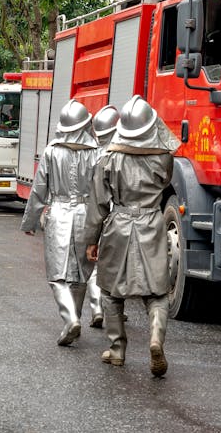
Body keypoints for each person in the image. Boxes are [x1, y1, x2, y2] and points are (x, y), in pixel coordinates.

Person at [86, 95, 177, 377]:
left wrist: (92, 238)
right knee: (157, 290)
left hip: (119, 224)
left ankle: (117, 349)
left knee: (111, 290)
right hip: (152, 221)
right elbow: (165, 183)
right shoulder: (164, 157)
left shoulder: (109, 157)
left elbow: (98, 202)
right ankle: (155, 340)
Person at [21, 100, 99, 346]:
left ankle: (70, 319)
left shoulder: (52, 151)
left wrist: (30, 221)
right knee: (80, 274)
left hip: (59, 213)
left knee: (57, 275)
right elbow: (101, 191)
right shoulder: (97, 152)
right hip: (87, 214)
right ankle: (74, 317)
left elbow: (38, 190)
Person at [85, 104, 120, 329]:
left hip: (97, 214)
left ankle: (97, 308)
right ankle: (113, 310)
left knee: (95, 265)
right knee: (117, 265)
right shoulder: (120, 155)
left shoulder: (93, 155)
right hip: (119, 216)